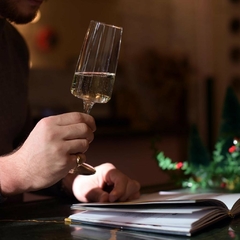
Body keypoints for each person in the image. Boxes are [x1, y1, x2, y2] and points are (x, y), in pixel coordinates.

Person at [0, 0, 140, 203]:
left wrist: (77, 181)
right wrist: (15, 172)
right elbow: (20, 166)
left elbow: (22, 154)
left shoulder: (15, 45)